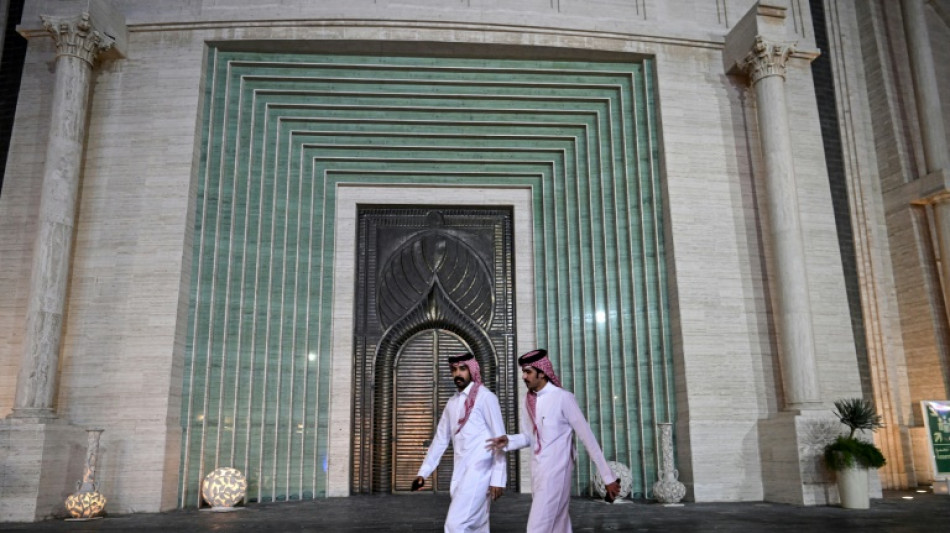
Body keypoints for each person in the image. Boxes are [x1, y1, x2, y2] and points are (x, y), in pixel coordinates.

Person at [487, 349, 620, 532]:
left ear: (542, 373)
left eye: (528, 372)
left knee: (537, 527)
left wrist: (608, 477)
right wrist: (508, 441)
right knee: (559, 526)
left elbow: (587, 438)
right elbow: (529, 437)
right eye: (523, 372)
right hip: (538, 472)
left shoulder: (563, 398)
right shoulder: (529, 401)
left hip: (557, 473)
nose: (524, 377)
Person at [412, 352, 507, 533]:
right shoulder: (452, 403)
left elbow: (500, 440)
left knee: (454, 525)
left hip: (480, 472)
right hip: (460, 472)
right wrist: (423, 473)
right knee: (477, 526)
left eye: (462, 369)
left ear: (472, 370)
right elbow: (440, 440)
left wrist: (498, 478)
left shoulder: (486, 398)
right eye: (454, 370)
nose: (458, 374)